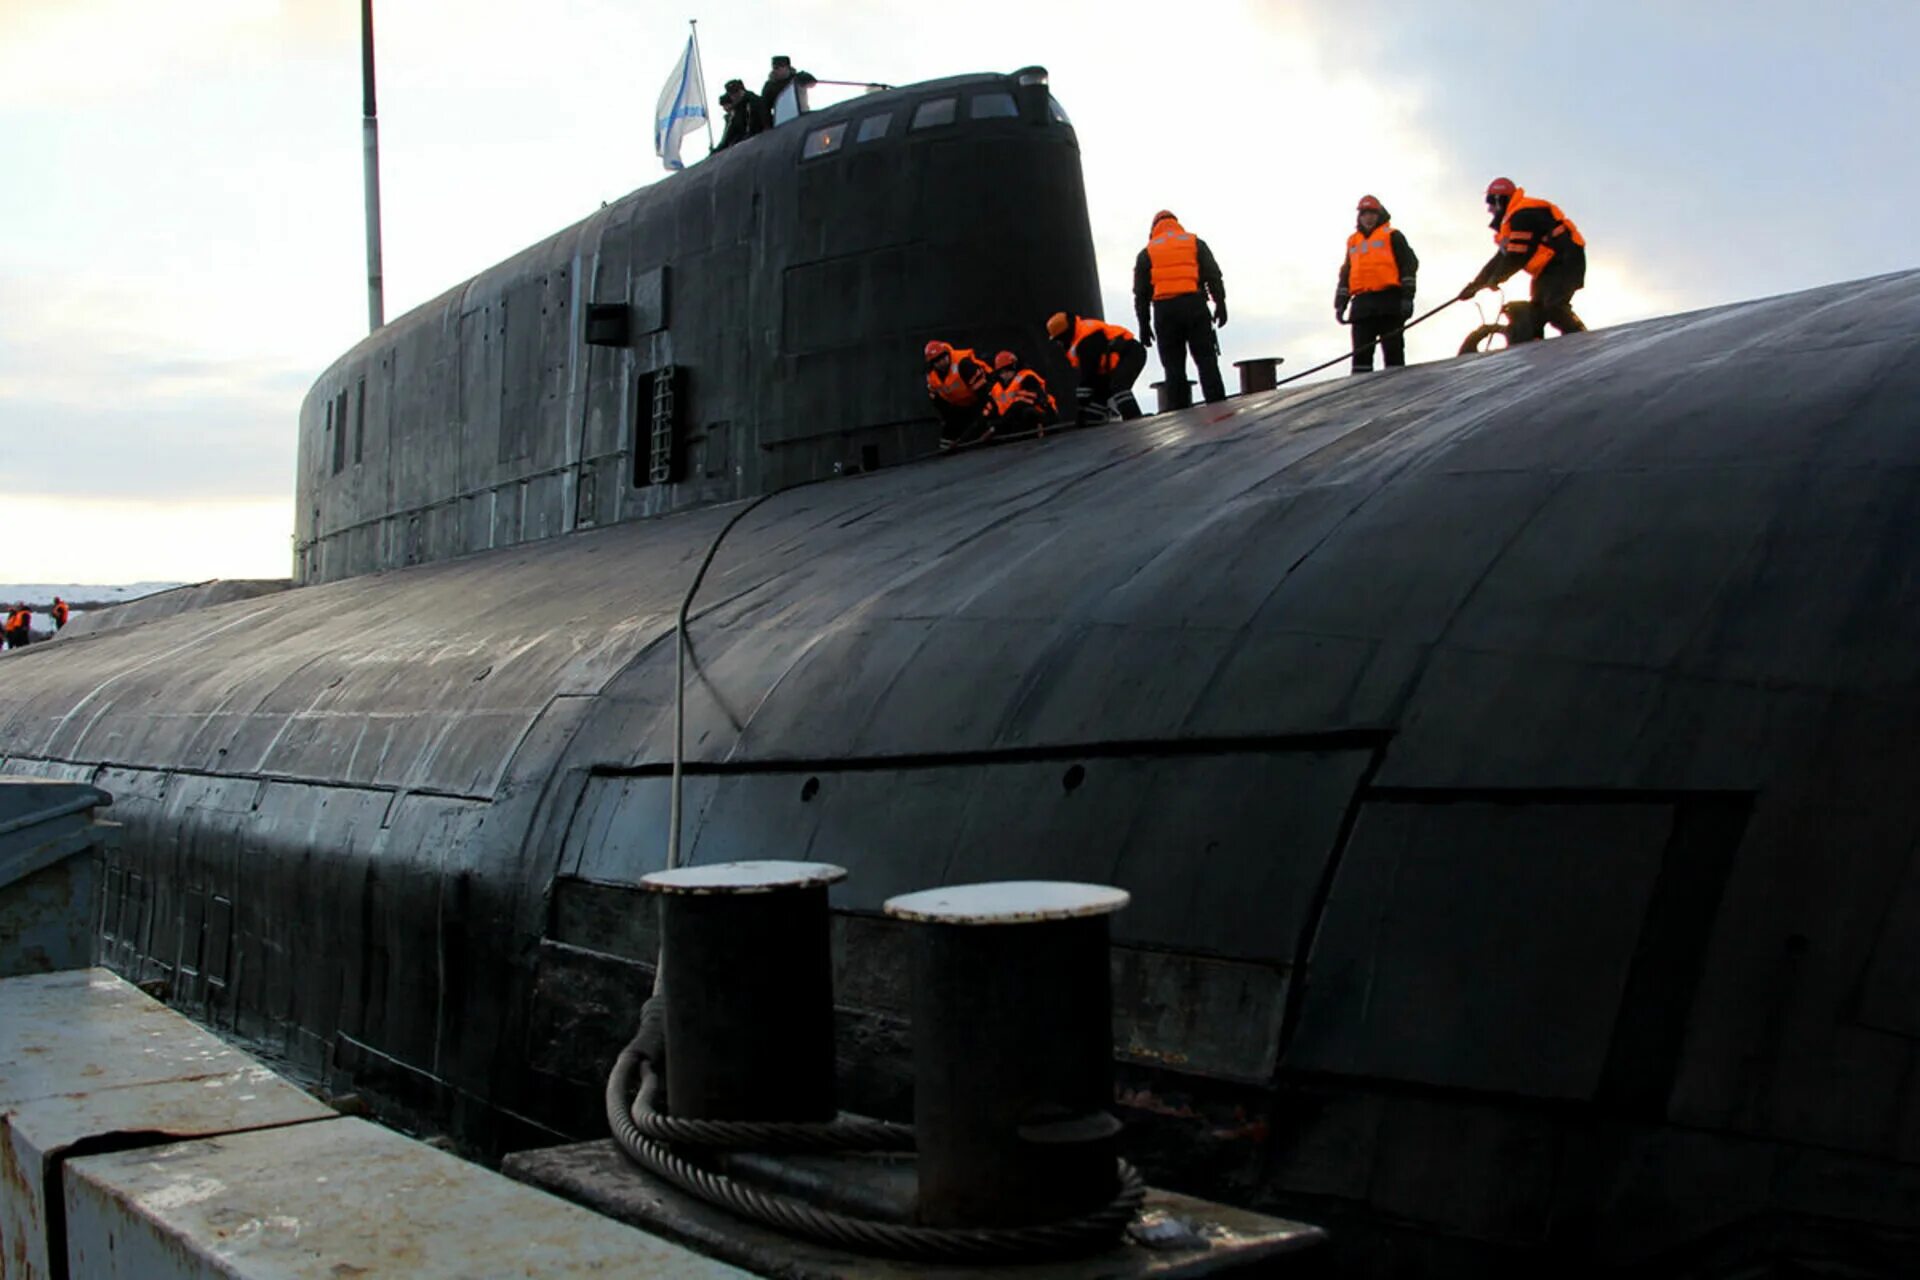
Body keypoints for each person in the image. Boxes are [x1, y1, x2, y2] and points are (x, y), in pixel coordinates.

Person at [1457, 178, 1587, 343]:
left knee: (1553, 305)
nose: (1489, 209)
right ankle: (1538, 346)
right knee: (1537, 311)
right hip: (1549, 267)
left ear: (1500, 200)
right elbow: (1501, 258)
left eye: (1490, 202)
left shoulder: (1523, 215)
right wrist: (1475, 286)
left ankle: (1581, 340)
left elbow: (1518, 256)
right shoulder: (1512, 221)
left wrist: (1496, 278)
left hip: (1566, 261)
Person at [1133, 210, 1227, 407]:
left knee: (1173, 367)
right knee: (1206, 361)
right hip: (1194, 305)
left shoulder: (1147, 252)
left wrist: (1144, 325)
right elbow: (1213, 275)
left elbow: (1141, 294)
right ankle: (1219, 409)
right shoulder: (1194, 242)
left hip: (1165, 311)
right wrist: (1220, 304)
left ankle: (1180, 413)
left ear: (1154, 229)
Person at [1335, 195, 1419, 373]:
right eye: (1364, 213)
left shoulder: (1393, 236)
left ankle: (1398, 387)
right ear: (1359, 216)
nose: (1368, 217)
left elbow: (1409, 266)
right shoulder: (1353, 241)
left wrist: (1407, 298)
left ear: (1379, 214)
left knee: (1394, 356)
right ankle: (1361, 389)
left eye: (1372, 213)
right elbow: (1346, 274)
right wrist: (1340, 304)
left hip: (1389, 303)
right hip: (1362, 306)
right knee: (1360, 360)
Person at [1046, 312, 1147, 423]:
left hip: (1130, 354)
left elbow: (1089, 373)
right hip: (1113, 363)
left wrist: (1081, 400)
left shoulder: (1087, 340)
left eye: (1060, 340)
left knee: (1118, 385)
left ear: (1066, 335)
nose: (1060, 344)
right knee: (1100, 393)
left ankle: (1133, 418)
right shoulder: (1080, 336)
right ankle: (1091, 420)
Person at [925, 340, 994, 447]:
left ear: (947, 354)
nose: (941, 362)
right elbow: (939, 403)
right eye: (936, 361)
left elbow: (984, 393)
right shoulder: (931, 377)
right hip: (962, 405)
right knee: (948, 437)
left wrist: (982, 417)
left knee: (980, 426)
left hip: (986, 398)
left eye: (943, 357)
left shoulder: (963, 364)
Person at [985, 351, 1058, 437]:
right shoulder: (996, 389)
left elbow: (1028, 401)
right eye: (1002, 372)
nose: (1005, 375)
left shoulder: (1027, 377)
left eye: (1008, 370)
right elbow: (990, 408)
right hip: (1010, 423)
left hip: (1041, 416)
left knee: (1027, 412)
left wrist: (1001, 422)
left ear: (1014, 367)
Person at [713, 79, 769, 151]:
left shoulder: (754, 102)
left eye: (736, 92)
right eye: (732, 94)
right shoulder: (736, 111)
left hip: (759, 140)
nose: (735, 96)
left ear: (741, 90)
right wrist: (718, 150)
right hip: (745, 143)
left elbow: (764, 121)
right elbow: (731, 132)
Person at [761, 55, 815, 125]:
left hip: (801, 116)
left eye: (778, 68)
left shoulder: (797, 78)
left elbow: (812, 83)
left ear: (787, 68)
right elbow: (764, 109)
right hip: (782, 122)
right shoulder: (769, 86)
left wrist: (805, 77)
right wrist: (769, 126)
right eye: (774, 68)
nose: (775, 71)